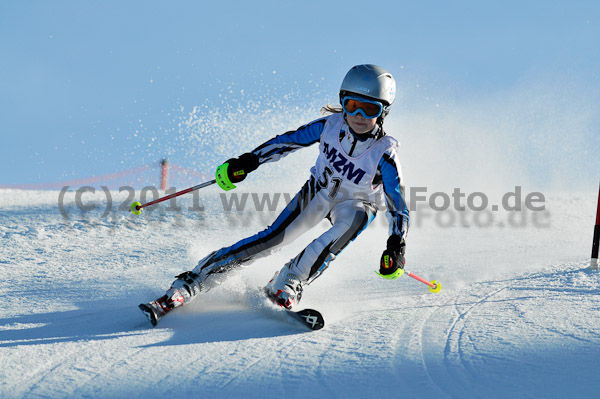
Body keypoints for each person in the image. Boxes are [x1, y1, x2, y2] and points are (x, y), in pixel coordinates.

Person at [142, 64, 409, 323]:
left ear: (383, 112)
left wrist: (396, 245)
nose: (359, 115)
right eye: (352, 105)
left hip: (355, 203)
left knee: (356, 220)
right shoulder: (330, 126)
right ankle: (195, 280)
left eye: (370, 108)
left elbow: (397, 203)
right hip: (320, 190)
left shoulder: (384, 152)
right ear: (343, 102)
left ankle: (290, 280)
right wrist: (248, 161)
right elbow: (287, 142)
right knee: (273, 238)